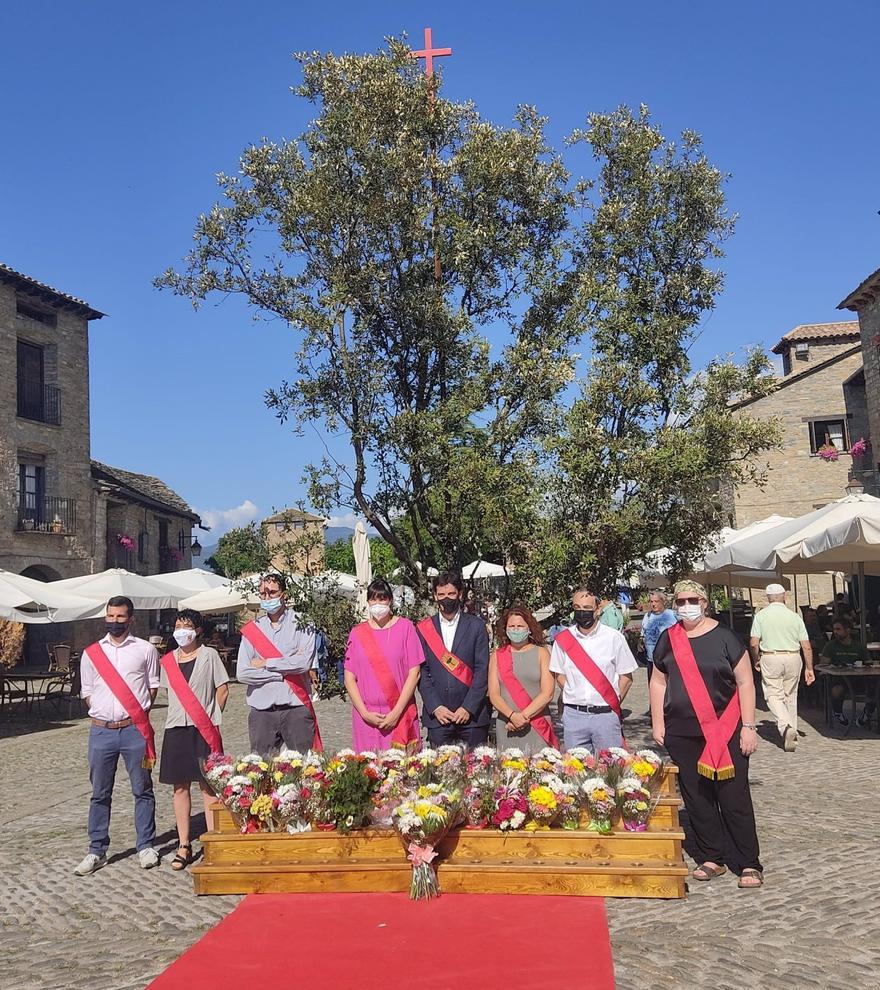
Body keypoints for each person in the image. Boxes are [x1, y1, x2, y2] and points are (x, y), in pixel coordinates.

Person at [651, 580, 763, 889]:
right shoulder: (668, 639)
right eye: (680, 601)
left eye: (692, 599)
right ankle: (712, 856)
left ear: (704, 602)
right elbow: (659, 681)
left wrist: (749, 727)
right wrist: (658, 722)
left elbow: (746, 684)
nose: (685, 605)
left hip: (725, 730)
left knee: (733, 796)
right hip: (683, 732)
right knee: (697, 797)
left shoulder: (726, 637)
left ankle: (748, 861)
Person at [75, 596, 160, 876]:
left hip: (135, 730)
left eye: (120, 616)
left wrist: (132, 714)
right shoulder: (91, 653)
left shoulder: (146, 650)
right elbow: (87, 691)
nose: (114, 621)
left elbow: (152, 688)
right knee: (99, 793)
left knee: (142, 789)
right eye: (110, 616)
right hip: (101, 732)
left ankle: (145, 845)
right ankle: (96, 850)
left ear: (130, 618)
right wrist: (104, 714)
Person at [158, 609, 230, 871]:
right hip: (176, 728)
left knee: (208, 786)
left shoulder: (210, 656)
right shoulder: (167, 661)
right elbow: (168, 693)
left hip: (203, 728)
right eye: (178, 625)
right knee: (180, 787)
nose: (181, 630)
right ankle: (184, 843)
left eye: (186, 625)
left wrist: (212, 716)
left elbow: (222, 688)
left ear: (198, 630)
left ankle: (214, 842)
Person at [236, 573, 320, 754]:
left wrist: (266, 663)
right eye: (263, 594)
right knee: (260, 770)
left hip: (295, 707)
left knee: (305, 768)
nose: (267, 597)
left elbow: (303, 663)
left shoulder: (303, 623)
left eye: (272, 593)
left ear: (284, 594)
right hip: (262, 711)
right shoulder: (254, 629)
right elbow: (243, 673)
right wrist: (281, 672)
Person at [549, 587, 638, 752]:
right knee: (575, 770)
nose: (582, 612)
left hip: (606, 715)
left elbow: (626, 676)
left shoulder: (613, 638)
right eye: (577, 608)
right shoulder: (562, 640)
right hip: (574, 715)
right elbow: (558, 674)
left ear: (597, 610)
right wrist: (573, 689)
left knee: (610, 769)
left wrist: (612, 700)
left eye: (587, 608)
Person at [344, 578, 422, 750]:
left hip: (399, 713)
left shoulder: (406, 628)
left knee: (403, 770)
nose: (378, 604)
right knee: (368, 771)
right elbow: (349, 678)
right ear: (368, 602)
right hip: (366, 717)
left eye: (382, 599)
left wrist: (396, 713)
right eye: (373, 599)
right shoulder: (357, 633)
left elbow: (414, 672)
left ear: (390, 601)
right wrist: (364, 713)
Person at [416, 570, 490, 746]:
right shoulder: (423, 629)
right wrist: (436, 707)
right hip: (438, 717)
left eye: (451, 593)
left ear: (460, 594)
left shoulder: (476, 626)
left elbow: (482, 669)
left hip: (473, 717)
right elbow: (422, 671)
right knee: (440, 771)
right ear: (435, 595)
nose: (446, 598)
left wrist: (468, 707)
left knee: (477, 770)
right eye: (441, 594)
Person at [748, 583, 814, 752]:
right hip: (793, 655)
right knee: (790, 695)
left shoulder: (761, 616)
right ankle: (791, 730)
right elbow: (806, 645)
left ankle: (786, 726)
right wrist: (809, 667)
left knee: (772, 695)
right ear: (784, 596)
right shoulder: (794, 616)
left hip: (771, 656)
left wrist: (756, 659)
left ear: (767, 598)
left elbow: (754, 643)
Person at [488, 604, 557, 753]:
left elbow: (548, 693)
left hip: (537, 723)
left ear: (529, 628)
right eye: (511, 626)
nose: (515, 629)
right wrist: (512, 716)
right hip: (507, 724)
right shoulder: (497, 655)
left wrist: (522, 718)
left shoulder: (542, 653)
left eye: (520, 626)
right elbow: (494, 694)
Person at [821, 618, 877, 728]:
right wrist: (833, 665)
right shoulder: (831, 646)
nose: (835, 632)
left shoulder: (859, 646)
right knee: (836, 690)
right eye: (834, 629)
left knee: (875, 685)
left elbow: (868, 662)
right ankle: (838, 712)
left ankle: (868, 713)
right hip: (840, 679)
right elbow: (823, 664)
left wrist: (866, 664)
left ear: (848, 630)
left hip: (859, 678)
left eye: (838, 629)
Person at [640, 591, 677, 682]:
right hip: (651, 660)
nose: (653, 604)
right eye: (651, 602)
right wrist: (641, 642)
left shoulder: (672, 615)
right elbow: (643, 633)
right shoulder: (647, 616)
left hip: (668, 660)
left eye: (656, 601)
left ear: (663, 602)